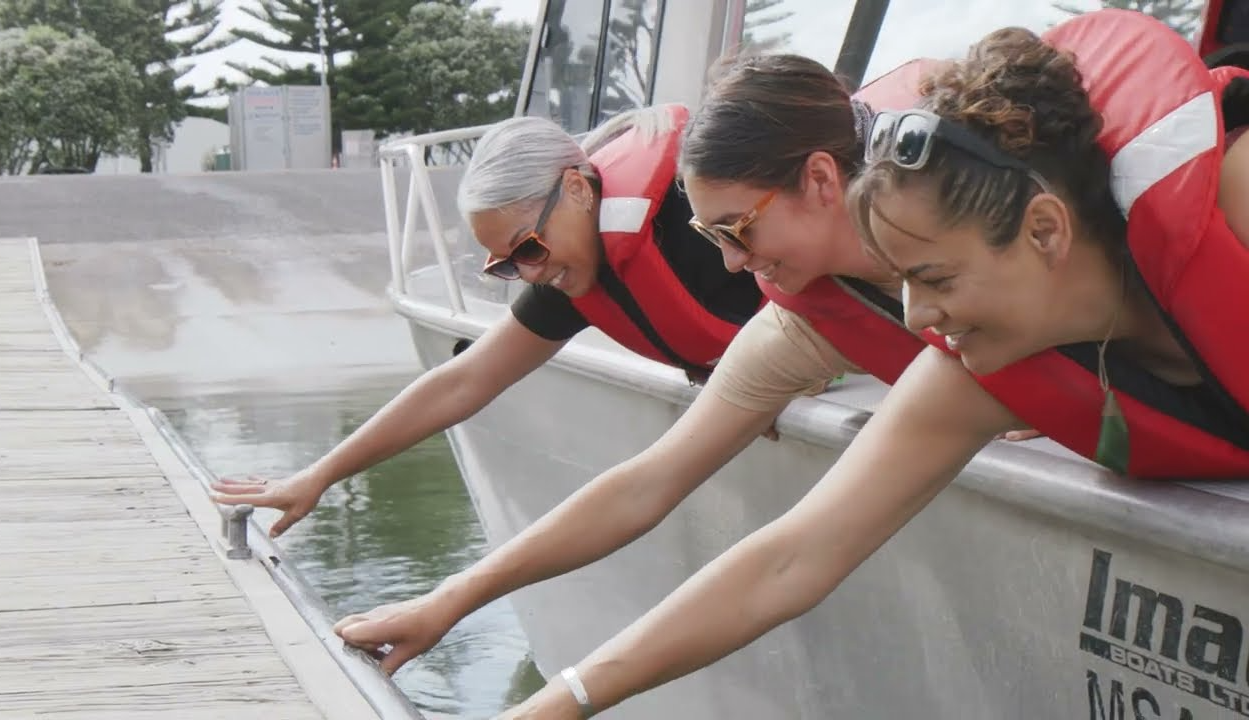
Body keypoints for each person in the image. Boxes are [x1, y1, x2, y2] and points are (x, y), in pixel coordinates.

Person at [492, 12, 1249, 719]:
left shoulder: (1235, 203)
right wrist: (561, 701)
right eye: (901, 280)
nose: (917, 319)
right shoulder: (971, 370)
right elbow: (790, 559)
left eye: (938, 278)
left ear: (1045, 230)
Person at [327, 53, 1035, 676]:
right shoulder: (800, 318)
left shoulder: (1027, 242)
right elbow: (647, 484)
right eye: (707, 235)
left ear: (822, 179)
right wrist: (449, 602)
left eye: (736, 230)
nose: (731, 263)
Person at [209, 105, 765, 536]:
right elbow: (462, 382)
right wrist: (317, 476)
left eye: (527, 248)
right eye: (507, 264)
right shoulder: (573, 270)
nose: (529, 273)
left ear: (577, 187)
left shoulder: (704, 214)